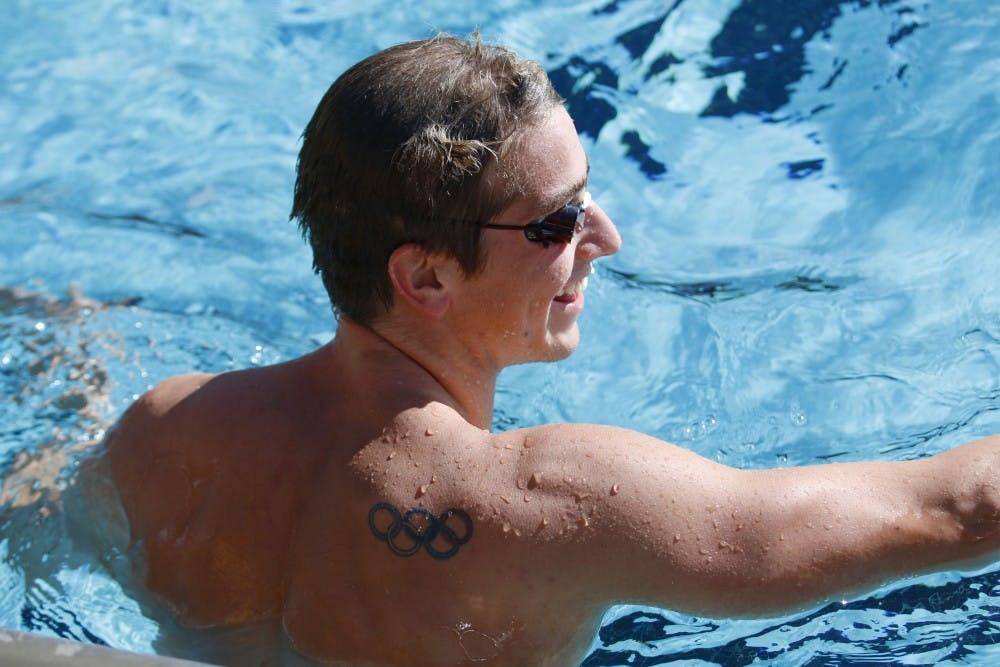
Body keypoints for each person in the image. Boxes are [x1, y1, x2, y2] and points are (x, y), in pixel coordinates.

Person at [106, 34, 999, 667]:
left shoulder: (160, 430)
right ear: (425, 279)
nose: (604, 236)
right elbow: (955, 512)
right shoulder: (553, 502)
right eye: (556, 221)